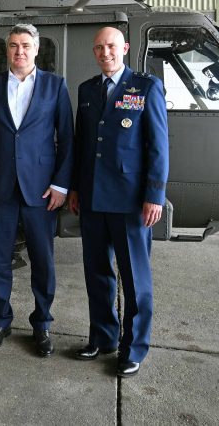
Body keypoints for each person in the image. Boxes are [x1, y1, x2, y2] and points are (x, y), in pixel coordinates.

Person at [69, 26, 169, 378]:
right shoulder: (87, 90)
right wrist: (76, 188)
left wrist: (154, 195)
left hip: (130, 202)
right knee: (97, 273)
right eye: (99, 48)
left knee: (135, 278)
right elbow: (82, 145)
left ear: (124, 48)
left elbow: (158, 146)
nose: (105, 53)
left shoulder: (146, 87)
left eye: (110, 46)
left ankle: (134, 348)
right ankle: (103, 337)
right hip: (93, 198)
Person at [0, 24, 74, 357]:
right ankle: (0, 321)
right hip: (0, 188)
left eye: (26, 45)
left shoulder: (55, 86)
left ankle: (42, 324)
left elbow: (67, 139)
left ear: (37, 49)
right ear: (7, 50)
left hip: (41, 190)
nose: (20, 51)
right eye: (14, 45)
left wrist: (60, 184)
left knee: (43, 261)